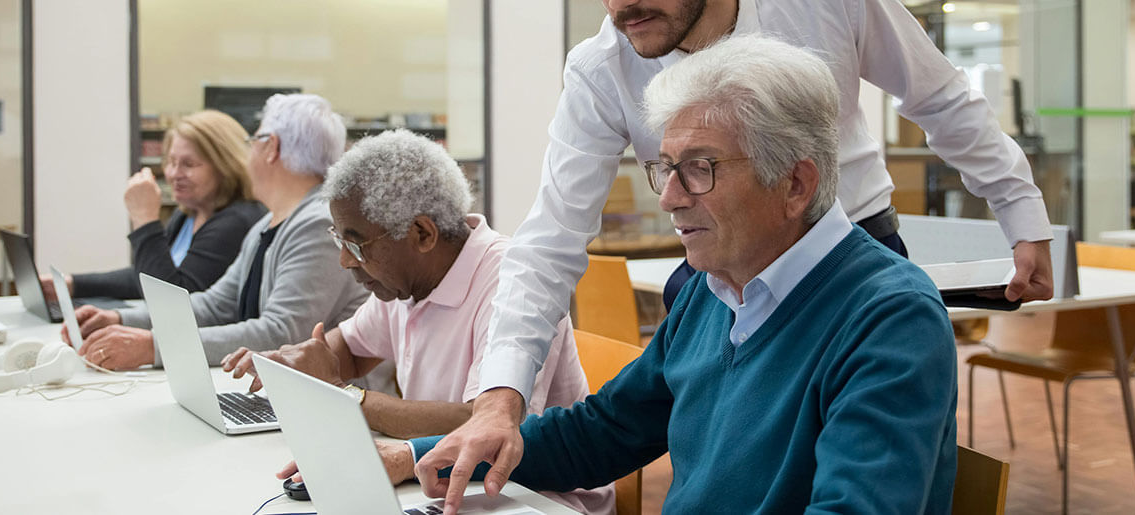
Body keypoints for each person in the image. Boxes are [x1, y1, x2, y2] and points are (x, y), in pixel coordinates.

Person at [427, 0, 1054, 509]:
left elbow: (942, 101)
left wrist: (1023, 219)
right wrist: (491, 405)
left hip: (845, 258)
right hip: (732, 261)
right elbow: (549, 245)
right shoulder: (606, 74)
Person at [403, 35, 958, 513]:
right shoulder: (714, 292)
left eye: (699, 169)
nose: (669, 198)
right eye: (666, 169)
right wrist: (416, 455)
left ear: (795, 184)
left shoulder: (890, 316)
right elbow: (601, 433)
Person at [220, 130, 613, 515]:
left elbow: (480, 423)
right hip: (446, 479)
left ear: (422, 234)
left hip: (534, 494)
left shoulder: (512, 285)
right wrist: (295, 364)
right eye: (338, 240)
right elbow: (348, 353)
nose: (345, 261)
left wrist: (344, 393)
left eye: (355, 244)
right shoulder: (402, 283)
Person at [65, 94, 374, 378]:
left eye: (253, 139)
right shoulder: (268, 222)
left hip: (331, 406)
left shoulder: (317, 225)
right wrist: (120, 320)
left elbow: (280, 334)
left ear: (271, 147)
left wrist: (154, 346)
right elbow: (215, 306)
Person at [47, 110, 265, 300]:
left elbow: (171, 298)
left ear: (225, 166)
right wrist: (73, 284)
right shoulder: (187, 215)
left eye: (188, 164)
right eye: (171, 162)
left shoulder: (236, 222)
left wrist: (145, 219)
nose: (174, 174)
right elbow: (148, 276)